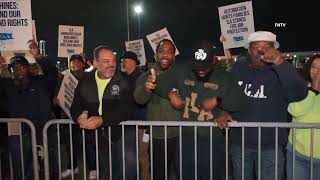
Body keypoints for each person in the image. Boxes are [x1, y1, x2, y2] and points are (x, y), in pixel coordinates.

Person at [147, 40, 246, 180]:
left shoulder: (223, 76)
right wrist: (170, 94)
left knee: (211, 175)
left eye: (205, 66)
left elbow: (239, 101)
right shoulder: (181, 70)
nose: (200, 70)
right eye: (197, 66)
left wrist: (219, 101)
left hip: (212, 139)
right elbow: (158, 83)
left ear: (213, 60)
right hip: (186, 139)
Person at [230, 31, 308, 180]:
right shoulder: (239, 67)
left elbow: (299, 93)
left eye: (267, 46)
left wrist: (279, 62)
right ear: (249, 50)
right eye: (256, 46)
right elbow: (227, 92)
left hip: (271, 145)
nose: (261, 50)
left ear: (275, 49)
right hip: (240, 142)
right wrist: (223, 111)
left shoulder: (282, 69)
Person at [70, 46, 136, 180]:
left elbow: (126, 109)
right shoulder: (85, 80)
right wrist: (79, 116)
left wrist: (102, 120)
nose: (111, 64)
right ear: (95, 63)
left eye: (113, 61)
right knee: (108, 170)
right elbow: (76, 104)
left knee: (127, 169)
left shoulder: (123, 80)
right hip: (99, 136)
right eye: (106, 61)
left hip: (122, 133)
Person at [0, 40, 58, 180]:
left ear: (28, 68)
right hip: (18, 132)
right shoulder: (7, 86)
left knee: (50, 165)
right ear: (11, 70)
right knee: (21, 166)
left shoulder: (41, 82)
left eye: (22, 67)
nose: (19, 70)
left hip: (43, 129)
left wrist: (38, 56)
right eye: (15, 68)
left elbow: (52, 73)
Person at [134, 39, 181, 180]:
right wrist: (146, 88)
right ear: (156, 55)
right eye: (161, 51)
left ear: (174, 56)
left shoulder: (182, 75)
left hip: (182, 134)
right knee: (159, 174)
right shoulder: (145, 76)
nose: (165, 55)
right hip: (157, 136)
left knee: (184, 173)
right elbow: (139, 99)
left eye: (169, 52)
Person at [286, 54, 320, 180]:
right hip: (298, 154)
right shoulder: (300, 88)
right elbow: (296, 111)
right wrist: (314, 89)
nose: (317, 71)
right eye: (314, 66)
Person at [54, 54, 85, 179]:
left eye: (78, 62)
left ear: (82, 64)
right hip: (66, 116)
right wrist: (56, 99)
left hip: (83, 116)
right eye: (73, 62)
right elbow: (57, 94)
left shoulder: (88, 77)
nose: (75, 64)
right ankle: (72, 167)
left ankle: (94, 168)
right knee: (69, 143)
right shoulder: (63, 77)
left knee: (86, 144)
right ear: (69, 64)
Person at [120, 51, 149, 180]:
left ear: (133, 62)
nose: (123, 63)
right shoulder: (120, 78)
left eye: (125, 60)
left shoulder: (142, 78)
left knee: (142, 155)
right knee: (128, 155)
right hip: (125, 124)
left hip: (140, 125)